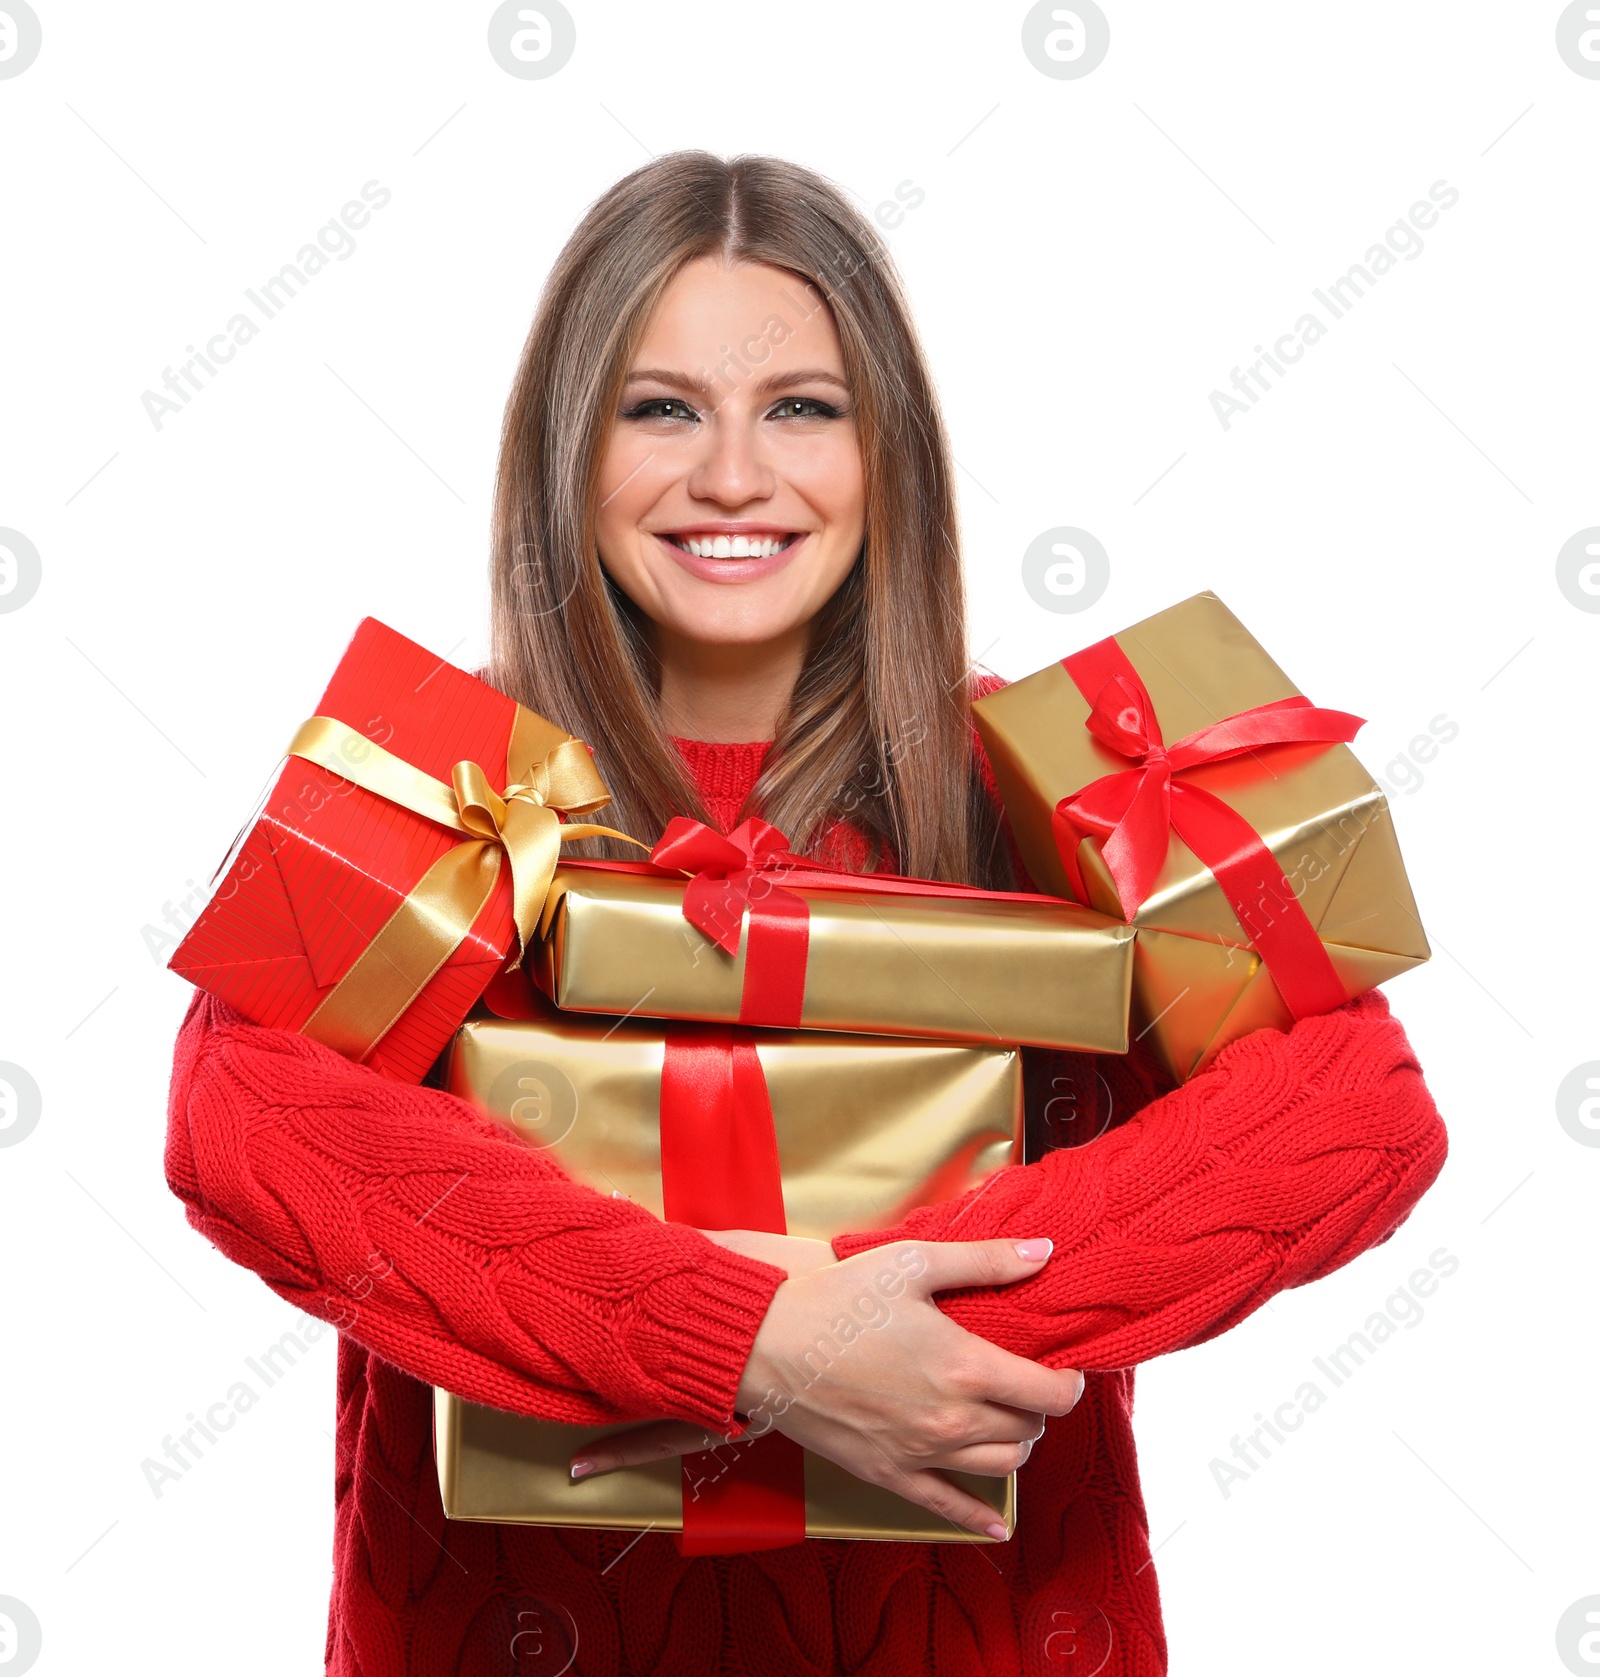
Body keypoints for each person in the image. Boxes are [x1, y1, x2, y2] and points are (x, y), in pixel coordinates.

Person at [165, 152, 1448, 1677]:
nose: (730, 477)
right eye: (660, 409)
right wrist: (750, 1340)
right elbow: (241, 1114)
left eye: (800, 407)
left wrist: (906, 1330)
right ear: (566, 452)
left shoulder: (1070, 776)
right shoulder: (453, 785)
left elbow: (1357, 1108)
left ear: (884, 450)